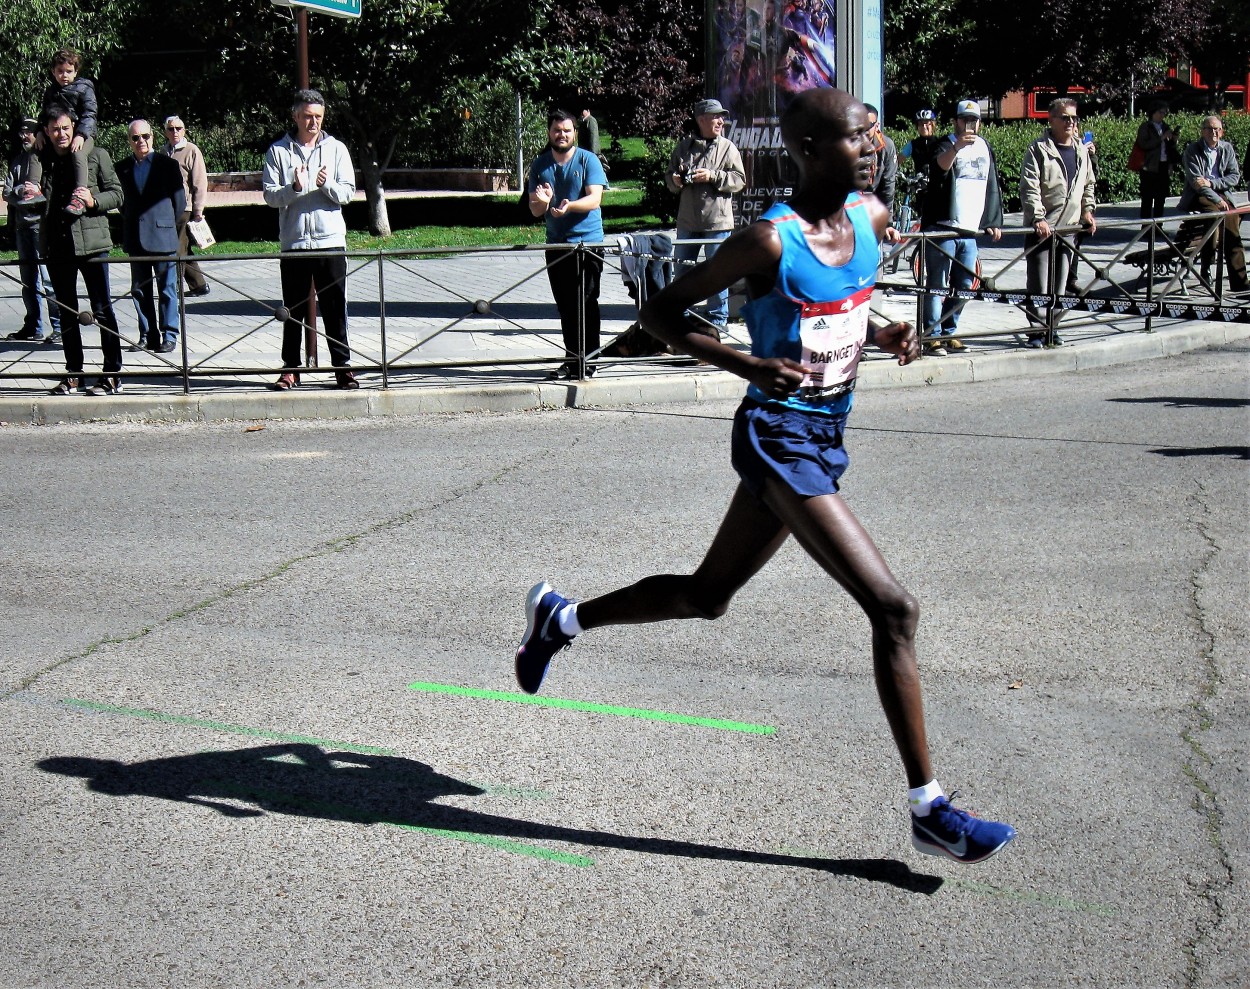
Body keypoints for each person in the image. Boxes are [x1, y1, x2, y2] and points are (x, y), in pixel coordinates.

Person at [512, 87, 1016, 866]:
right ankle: (931, 807)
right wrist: (744, 360)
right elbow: (660, 315)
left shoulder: (871, 220)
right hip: (779, 438)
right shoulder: (768, 242)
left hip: (825, 432)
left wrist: (884, 332)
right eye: (858, 137)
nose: (874, 145)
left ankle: (562, 619)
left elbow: (843, 307)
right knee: (893, 608)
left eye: (875, 134)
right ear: (813, 149)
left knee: (707, 595)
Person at [261, 88, 359, 390]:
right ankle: (290, 369)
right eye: (306, 116)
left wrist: (326, 184)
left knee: (334, 307)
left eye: (317, 116)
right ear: (295, 116)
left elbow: (348, 192)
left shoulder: (336, 149)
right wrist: (294, 187)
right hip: (295, 243)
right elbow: (270, 195)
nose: (312, 122)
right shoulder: (278, 151)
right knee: (292, 309)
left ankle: (342, 367)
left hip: (329, 242)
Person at [37, 108, 124, 396]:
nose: (60, 134)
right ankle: (74, 375)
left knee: (102, 308)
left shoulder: (96, 154)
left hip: (93, 245)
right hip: (58, 247)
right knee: (66, 311)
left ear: (74, 128)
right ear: (47, 133)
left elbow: (117, 193)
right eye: (54, 129)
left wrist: (93, 200)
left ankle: (112, 374)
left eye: (65, 128)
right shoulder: (45, 161)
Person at [527, 108, 608, 380]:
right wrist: (544, 201)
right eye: (556, 130)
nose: (561, 135)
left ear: (575, 132)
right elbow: (535, 211)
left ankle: (590, 360)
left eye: (566, 130)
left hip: (587, 244)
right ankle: (572, 359)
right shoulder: (540, 165)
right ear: (549, 133)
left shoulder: (588, 160)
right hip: (557, 245)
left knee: (585, 303)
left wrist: (569, 205)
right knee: (565, 305)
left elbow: (594, 199)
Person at [918, 99, 1003, 355]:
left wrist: (992, 220)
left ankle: (948, 331)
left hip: (970, 229)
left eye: (974, 120)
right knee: (937, 283)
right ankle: (930, 336)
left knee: (964, 284)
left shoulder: (985, 147)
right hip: (943, 226)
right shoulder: (943, 143)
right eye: (965, 119)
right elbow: (938, 169)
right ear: (956, 120)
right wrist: (956, 147)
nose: (970, 124)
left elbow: (992, 185)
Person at [1019, 97, 1096, 347]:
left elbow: (1088, 185)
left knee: (1060, 284)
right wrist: (1038, 217)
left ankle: (1054, 328)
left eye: (1074, 118)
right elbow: (1030, 187)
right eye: (1065, 117)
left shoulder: (1081, 151)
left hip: (1069, 228)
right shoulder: (1038, 149)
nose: (1071, 122)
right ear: (1051, 120)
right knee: (1039, 284)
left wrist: (1088, 211)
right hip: (1043, 228)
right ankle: (1036, 332)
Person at [666, 98, 746, 335]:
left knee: (717, 273)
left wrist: (713, 176)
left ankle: (717, 321)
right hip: (688, 221)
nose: (721, 121)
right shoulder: (683, 147)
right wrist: (676, 180)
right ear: (701, 120)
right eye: (715, 116)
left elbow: (740, 181)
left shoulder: (728, 148)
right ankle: (679, 315)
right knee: (681, 271)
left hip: (717, 221)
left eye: (722, 117)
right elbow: (669, 177)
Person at [117, 119, 186, 354]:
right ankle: (147, 335)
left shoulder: (167, 165)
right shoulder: (122, 168)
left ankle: (170, 335)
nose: (141, 142)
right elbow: (122, 203)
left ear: (153, 138)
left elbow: (180, 203)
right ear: (129, 141)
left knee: (167, 289)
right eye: (135, 138)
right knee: (140, 289)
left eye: (145, 136)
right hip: (135, 237)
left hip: (163, 235)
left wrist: (165, 224)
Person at [3, 118, 60, 344]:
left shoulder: (47, 160)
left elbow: (48, 192)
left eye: (29, 132)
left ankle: (58, 326)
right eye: (22, 133)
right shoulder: (17, 161)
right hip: (22, 226)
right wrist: (21, 190)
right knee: (28, 281)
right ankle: (33, 325)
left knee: (48, 280)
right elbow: (7, 192)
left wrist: (33, 195)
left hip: (41, 226)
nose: (25, 136)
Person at [26, 48, 100, 217]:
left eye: (69, 71)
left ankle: (80, 195)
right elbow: (44, 115)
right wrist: (39, 132)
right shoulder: (51, 91)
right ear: (53, 72)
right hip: (59, 134)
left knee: (78, 154)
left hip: (83, 134)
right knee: (35, 149)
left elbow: (90, 113)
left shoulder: (84, 88)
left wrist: (81, 134)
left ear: (76, 71)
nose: (64, 75)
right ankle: (33, 187)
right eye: (60, 71)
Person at [1178, 116, 1247, 295]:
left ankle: (1239, 281)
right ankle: (1206, 266)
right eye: (1209, 129)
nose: (1213, 132)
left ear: (1222, 132)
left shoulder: (1227, 149)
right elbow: (1196, 183)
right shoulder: (1192, 150)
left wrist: (1212, 184)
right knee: (1215, 215)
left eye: (1217, 129)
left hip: (1220, 192)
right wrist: (1216, 198)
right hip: (1199, 196)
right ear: (1202, 131)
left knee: (1232, 226)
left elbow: (1234, 177)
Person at [161, 115, 211, 297]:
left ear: (184, 130)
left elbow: (199, 181)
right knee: (184, 247)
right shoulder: (164, 151)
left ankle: (174, 287)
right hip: (167, 208)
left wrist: (198, 210)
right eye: (171, 129)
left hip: (185, 207)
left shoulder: (191, 150)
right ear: (165, 132)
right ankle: (199, 285)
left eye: (178, 128)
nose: (175, 132)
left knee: (177, 248)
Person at [1135, 103, 1177, 220]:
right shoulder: (1146, 127)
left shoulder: (1165, 126)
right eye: (1160, 112)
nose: (1162, 115)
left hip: (1163, 165)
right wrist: (1161, 138)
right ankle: (1146, 227)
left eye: (1164, 113)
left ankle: (1158, 226)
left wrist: (1173, 140)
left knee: (1160, 198)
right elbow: (1143, 144)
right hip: (1149, 166)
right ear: (1153, 113)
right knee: (1147, 198)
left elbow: (1169, 148)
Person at [862, 103, 897, 213]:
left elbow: (888, 185)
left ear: (877, 125)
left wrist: (888, 220)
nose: (865, 130)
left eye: (869, 125)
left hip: (874, 200)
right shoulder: (849, 143)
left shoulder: (887, 146)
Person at [898, 108, 940, 180]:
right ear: (917, 126)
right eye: (920, 124)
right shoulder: (913, 144)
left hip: (938, 183)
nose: (924, 126)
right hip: (920, 185)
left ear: (932, 125)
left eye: (927, 123)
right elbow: (898, 161)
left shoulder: (940, 143)